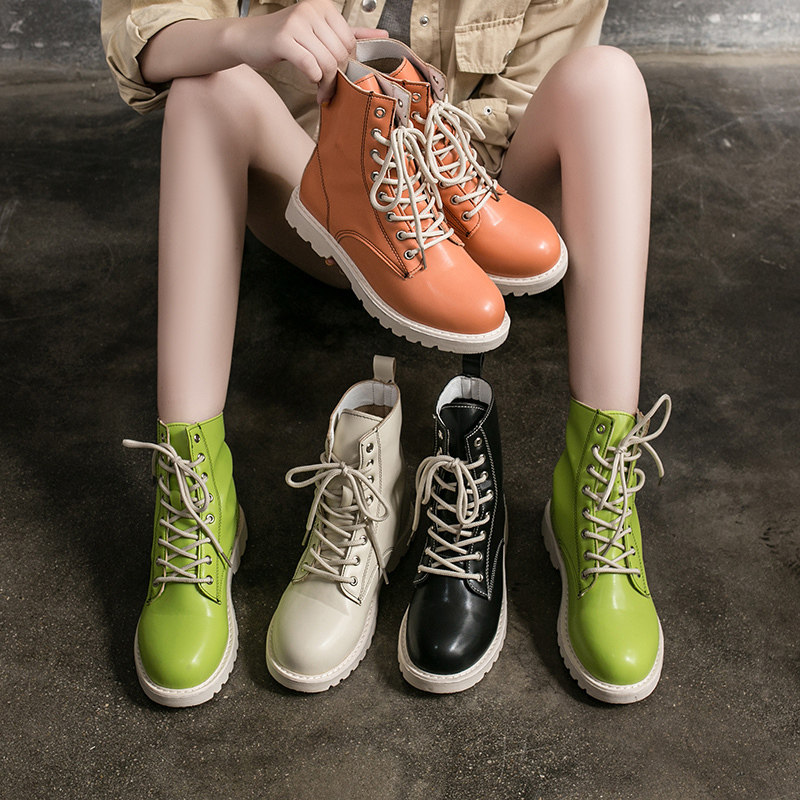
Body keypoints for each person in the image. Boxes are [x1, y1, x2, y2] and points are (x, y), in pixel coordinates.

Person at [102, 0, 671, 706]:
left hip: (477, 209)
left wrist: (418, 132)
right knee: (205, 88)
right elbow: (143, 37)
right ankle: (194, 493)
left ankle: (596, 482)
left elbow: (529, 97)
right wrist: (251, 35)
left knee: (608, 78)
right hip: (320, 198)